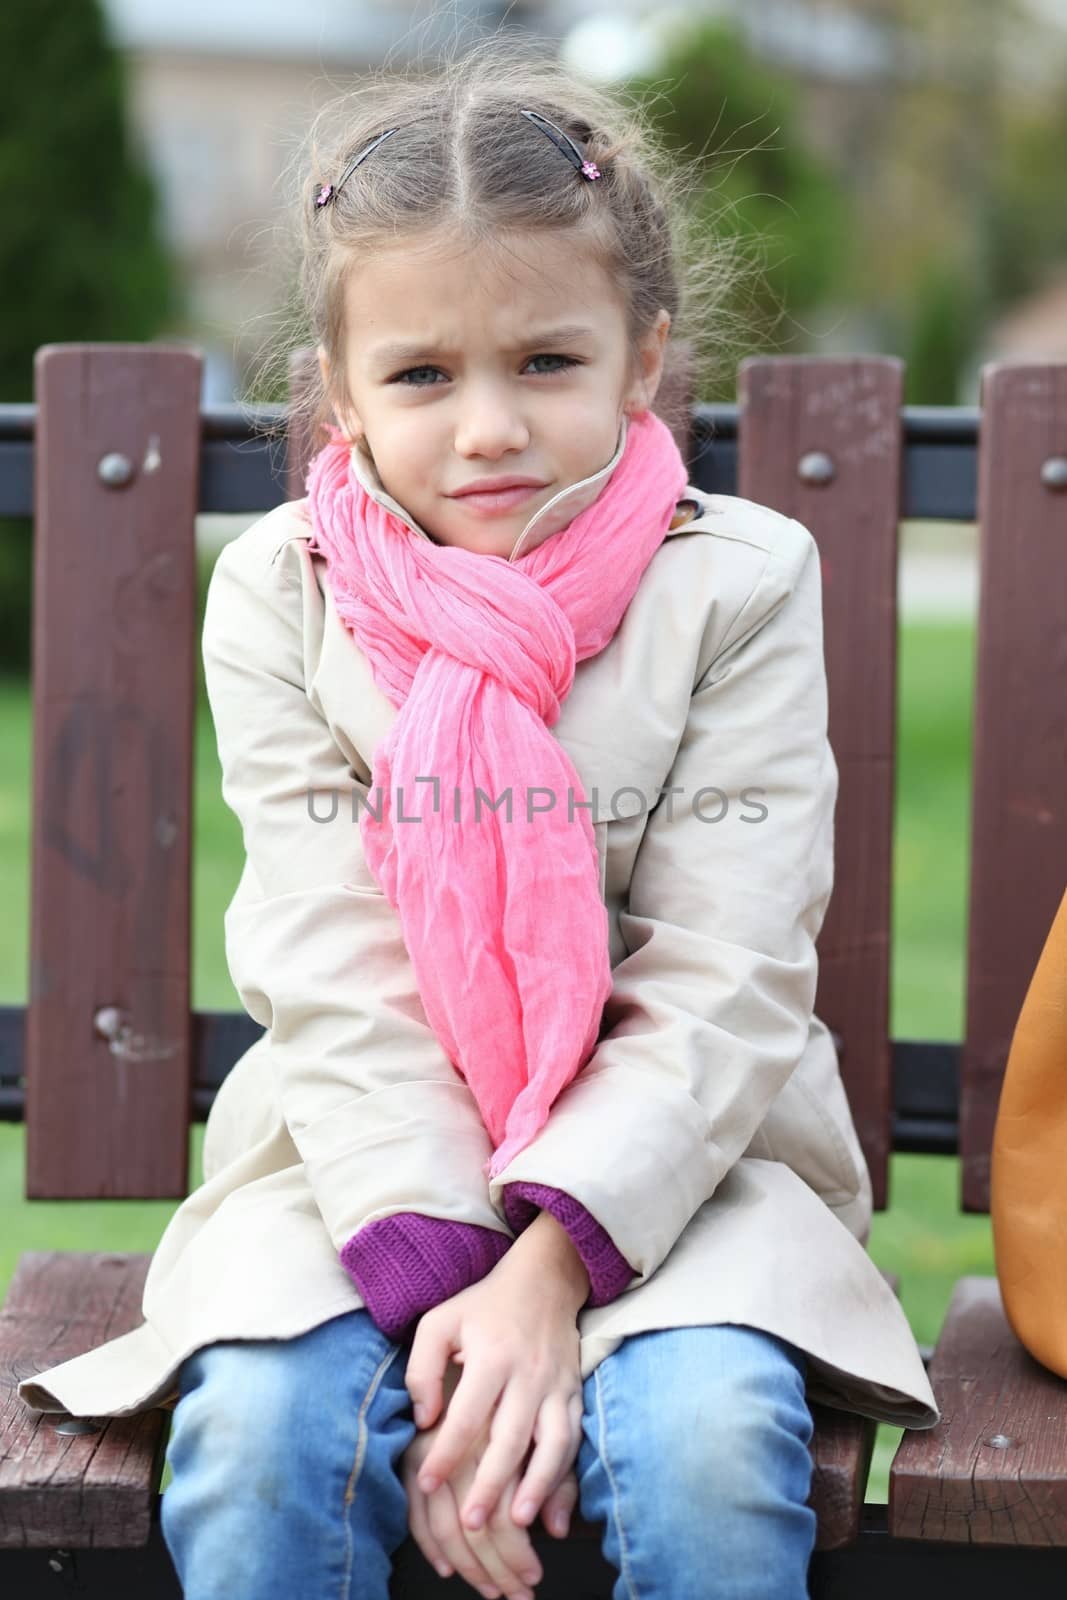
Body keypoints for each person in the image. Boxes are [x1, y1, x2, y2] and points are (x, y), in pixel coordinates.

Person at [16, 36, 940, 1600]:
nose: (490, 428)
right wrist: (452, 1288)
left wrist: (542, 1280)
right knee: (260, 1443)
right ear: (339, 398)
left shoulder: (741, 584)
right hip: (355, 1168)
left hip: (690, 1175)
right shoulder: (285, 594)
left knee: (710, 1447)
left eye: (547, 364)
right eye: (425, 376)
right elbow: (330, 956)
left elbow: (730, 967)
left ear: (643, 360)